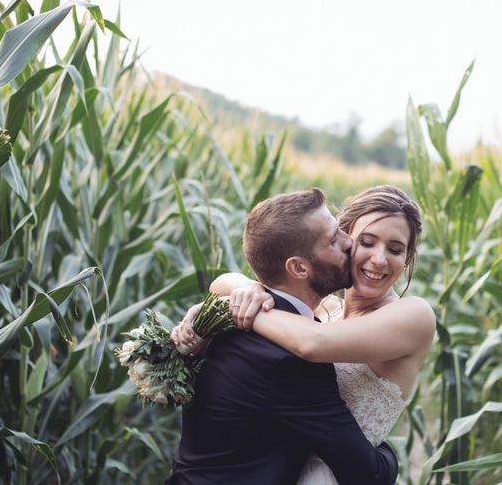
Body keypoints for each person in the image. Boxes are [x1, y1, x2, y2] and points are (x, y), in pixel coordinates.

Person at [175, 185, 435, 484]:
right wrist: (248, 288)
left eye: (395, 249)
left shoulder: (413, 315)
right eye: (366, 242)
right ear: (346, 238)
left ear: (407, 258)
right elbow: (223, 281)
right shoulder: (324, 309)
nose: (379, 259)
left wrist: (244, 308)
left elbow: (313, 342)